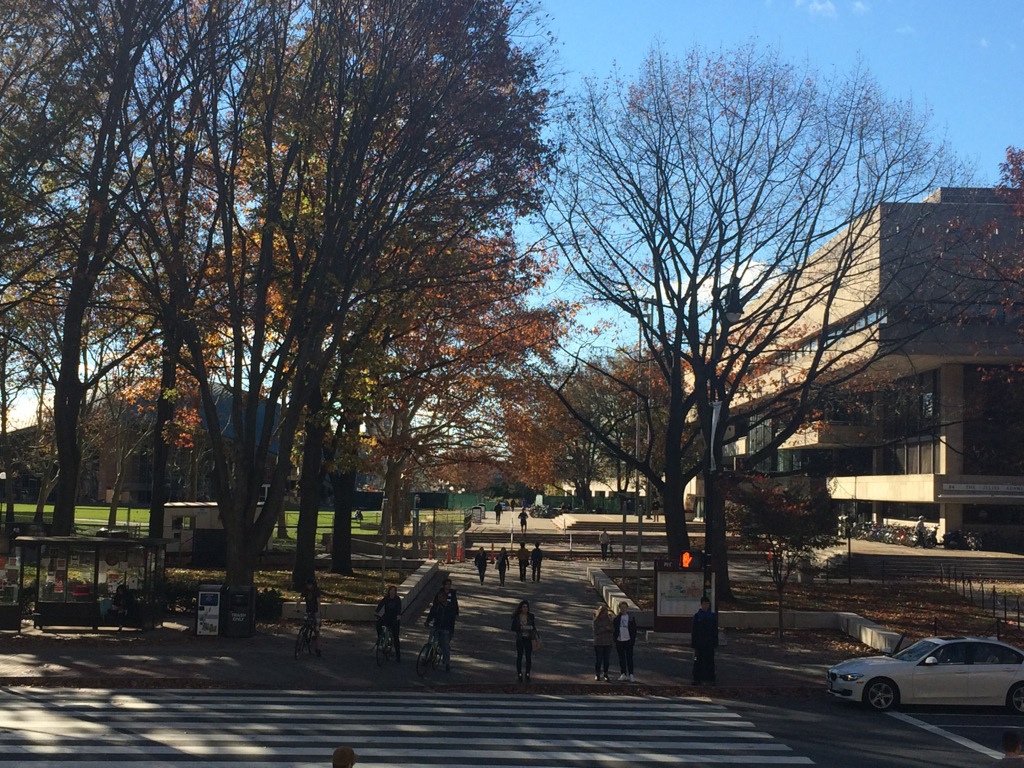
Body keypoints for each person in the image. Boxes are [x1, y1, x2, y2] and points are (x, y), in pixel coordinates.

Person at [424, 588, 456, 671]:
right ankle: (426, 657)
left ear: (445, 598)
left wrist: (451, 631)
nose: (439, 599)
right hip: (436, 626)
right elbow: (431, 615)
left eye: (441, 597)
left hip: (445, 629)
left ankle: (447, 663)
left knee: (445, 646)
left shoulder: (450, 607)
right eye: (438, 597)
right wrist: (427, 621)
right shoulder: (436, 606)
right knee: (430, 642)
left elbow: (452, 620)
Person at [691, 594, 719, 685]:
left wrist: (715, 641)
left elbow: (715, 630)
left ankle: (710, 679)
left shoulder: (712, 616)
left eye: (707, 604)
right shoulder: (697, 616)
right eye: (704, 604)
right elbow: (694, 631)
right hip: (700, 642)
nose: (706, 606)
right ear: (701, 604)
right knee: (698, 660)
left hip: (709, 642)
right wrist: (694, 643)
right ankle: (697, 678)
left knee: (710, 661)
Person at [510, 599, 537, 682]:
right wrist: (520, 628)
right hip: (520, 638)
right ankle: (519, 673)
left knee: (528, 657)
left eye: (526, 607)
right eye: (524, 607)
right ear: (521, 608)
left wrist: (532, 633)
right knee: (520, 656)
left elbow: (534, 627)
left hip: (528, 638)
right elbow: (513, 628)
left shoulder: (531, 616)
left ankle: (527, 673)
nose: (525, 608)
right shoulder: (517, 617)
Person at [375, 585, 402, 662]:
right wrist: (376, 611)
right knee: (378, 624)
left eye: (394, 591)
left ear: (395, 592)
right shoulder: (386, 598)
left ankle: (398, 655)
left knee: (395, 636)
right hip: (386, 617)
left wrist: (398, 615)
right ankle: (380, 638)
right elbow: (381, 604)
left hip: (394, 618)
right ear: (389, 591)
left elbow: (399, 608)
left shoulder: (397, 599)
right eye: (391, 590)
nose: (392, 592)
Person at [613, 600, 637, 682]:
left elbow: (634, 630)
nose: (623, 609)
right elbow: (614, 629)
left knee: (629, 658)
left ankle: (631, 674)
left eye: (624, 607)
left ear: (627, 608)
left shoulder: (630, 618)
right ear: (619, 608)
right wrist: (615, 639)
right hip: (620, 640)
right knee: (621, 658)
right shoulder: (617, 619)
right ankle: (623, 673)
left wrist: (632, 640)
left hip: (628, 640)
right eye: (621, 608)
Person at [303, 576, 322, 657]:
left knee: (316, 630)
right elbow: (300, 599)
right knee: (305, 623)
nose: (309, 586)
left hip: (315, 611)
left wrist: (318, 611)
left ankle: (318, 648)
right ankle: (305, 636)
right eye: (308, 584)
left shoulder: (316, 591)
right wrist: (296, 607)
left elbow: (318, 602)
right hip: (308, 610)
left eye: (310, 584)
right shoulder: (305, 591)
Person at [593, 604, 613, 681]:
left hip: (608, 642)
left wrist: (609, 629)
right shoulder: (596, 620)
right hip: (599, 642)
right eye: (603, 612)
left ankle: (606, 673)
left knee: (606, 660)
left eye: (606, 612)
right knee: (599, 659)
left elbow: (612, 629)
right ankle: (597, 674)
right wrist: (605, 628)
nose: (605, 614)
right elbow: (596, 631)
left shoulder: (609, 620)